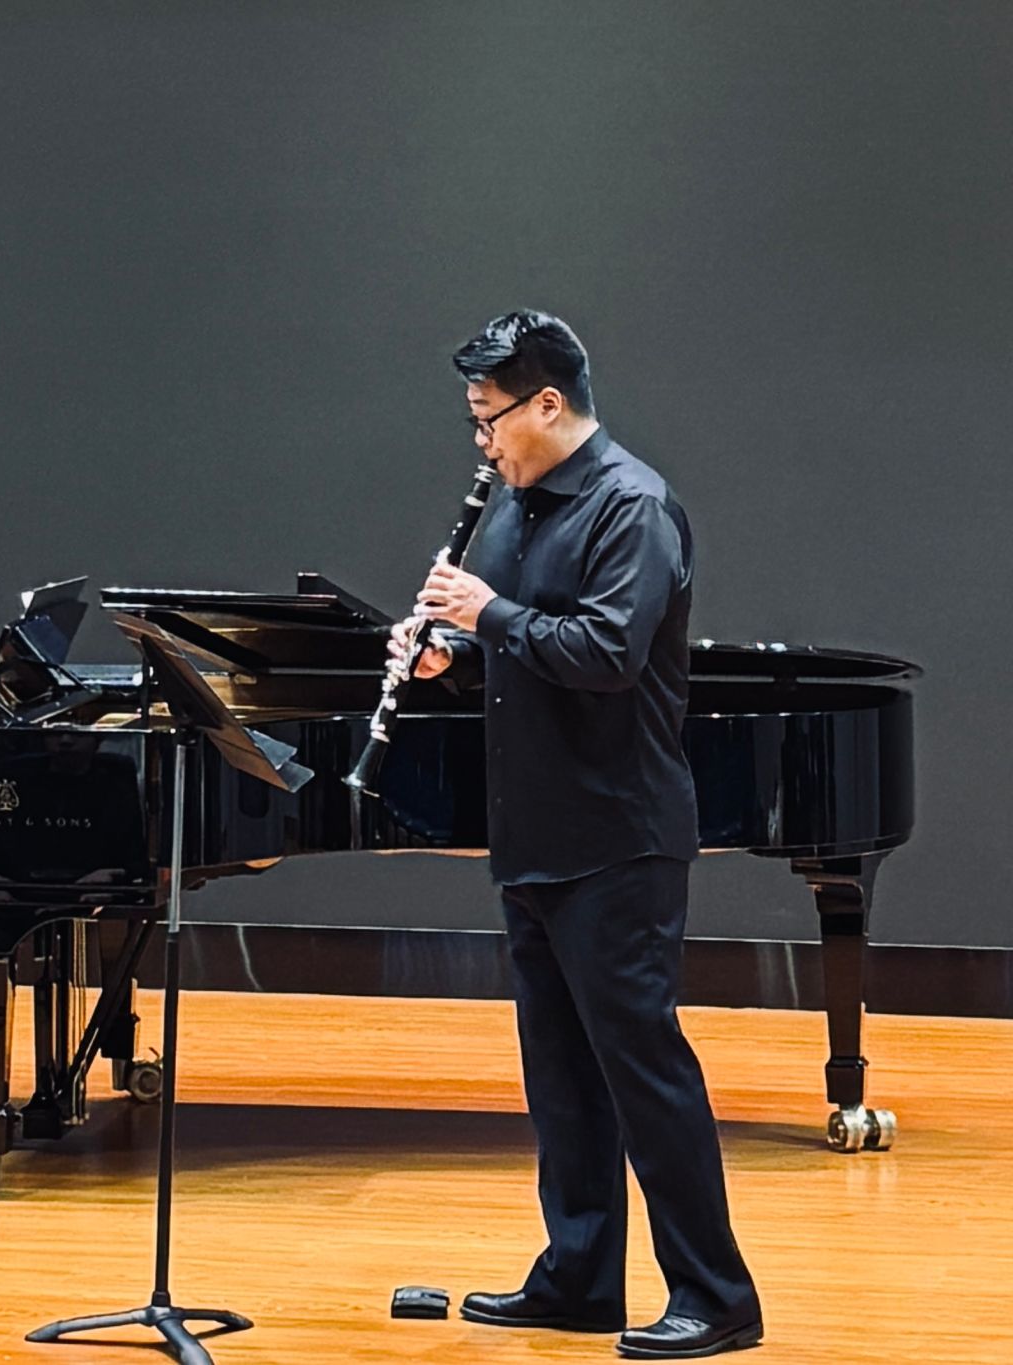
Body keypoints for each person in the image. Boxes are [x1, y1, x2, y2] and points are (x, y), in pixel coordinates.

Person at [399, 311, 761, 1359]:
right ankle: (579, 1277)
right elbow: (521, 647)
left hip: (617, 837)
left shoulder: (632, 507)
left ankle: (716, 1295)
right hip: (534, 831)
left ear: (548, 404)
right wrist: (451, 657)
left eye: (490, 420)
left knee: (643, 1072)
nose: (482, 443)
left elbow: (605, 653)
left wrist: (484, 616)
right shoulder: (518, 506)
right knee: (560, 1076)